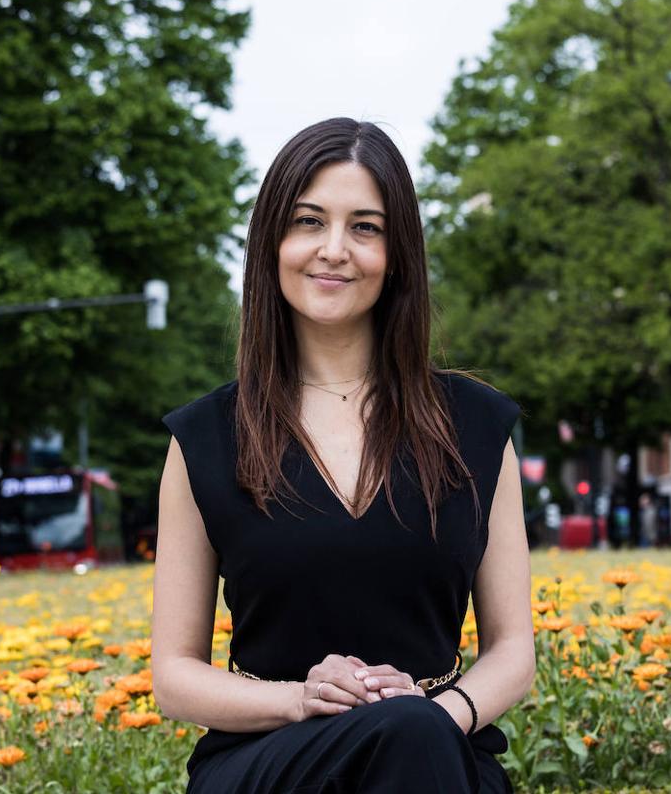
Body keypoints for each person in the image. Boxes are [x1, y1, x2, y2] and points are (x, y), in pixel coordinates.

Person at [152, 118, 532, 794]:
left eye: (365, 227)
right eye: (308, 222)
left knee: (413, 743)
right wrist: (301, 699)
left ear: (398, 254)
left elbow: (513, 651)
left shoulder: (476, 426)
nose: (334, 249)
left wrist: (440, 713)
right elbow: (174, 677)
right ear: (273, 242)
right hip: (267, 759)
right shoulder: (204, 439)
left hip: (438, 744)